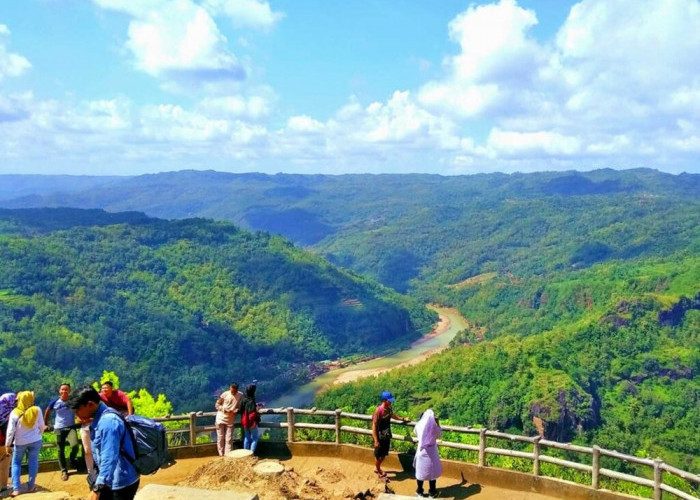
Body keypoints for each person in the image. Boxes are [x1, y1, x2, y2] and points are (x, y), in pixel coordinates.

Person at [68, 385, 139, 500]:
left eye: (78, 410)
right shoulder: (101, 417)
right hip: (113, 479)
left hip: (120, 482)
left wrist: (98, 488)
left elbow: (109, 457)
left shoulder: (108, 422)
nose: (77, 415)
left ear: (90, 404)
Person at [5, 391, 44, 497]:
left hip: (20, 442)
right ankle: (31, 486)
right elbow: (42, 426)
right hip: (36, 440)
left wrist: (7, 445)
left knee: (16, 463)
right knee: (33, 461)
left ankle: (17, 489)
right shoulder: (37, 410)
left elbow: (10, 431)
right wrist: (38, 434)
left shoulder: (15, 413)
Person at [44, 383, 81, 481]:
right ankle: (64, 470)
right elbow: (47, 411)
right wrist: (45, 424)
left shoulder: (72, 400)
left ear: (69, 390)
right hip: (58, 428)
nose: (64, 391)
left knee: (75, 446)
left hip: (71, 427)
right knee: (60, 450)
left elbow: (78, 409)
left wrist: (80, 419)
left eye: (66, 389)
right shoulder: (55, 401)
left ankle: (72, 460)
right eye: (62, 389)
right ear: (59, 391)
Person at [371, 390, 409, 478]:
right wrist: (376, 440)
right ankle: (378, 470)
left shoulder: (388, 408)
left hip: (386, 435)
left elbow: (393, 416)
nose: (391, 402)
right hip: (380, 436)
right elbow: (374, 426)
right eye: (389, 400)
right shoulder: (378, 411)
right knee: (379, 455)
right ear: (384, 400)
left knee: (383, 454)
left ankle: (377, 468)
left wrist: (403, 419)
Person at [413, 409, 442, 498]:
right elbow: (440, 434)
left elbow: (415, 432)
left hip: (421, 452)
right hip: (432, 453)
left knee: (420, 472)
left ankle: (420, 491)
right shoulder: (434, 427)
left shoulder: (419, 425)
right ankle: (432, 492)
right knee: (432, 473)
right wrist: (438, 424)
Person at [214, 383, 243, 456]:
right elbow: (217, 405)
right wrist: (226, 410)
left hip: (230, 420)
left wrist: (238, 409)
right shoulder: (224, 394)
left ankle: (228, 455)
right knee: (220, 438)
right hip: (220, 419)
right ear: (230, 388)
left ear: (237, 390)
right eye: (231, 391)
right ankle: (221, 455)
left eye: (234, 391)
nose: (232, 392)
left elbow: (242, 405)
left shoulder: (240, 395)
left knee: (229, 439)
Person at [0, 393, 17, 494]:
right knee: (4, 466)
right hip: (4, 444)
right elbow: (10, 432)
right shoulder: (10, 416)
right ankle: (3, 486)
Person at [240, 384, 261, 454]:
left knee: (247, 437)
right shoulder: (251, 401)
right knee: (255, 437)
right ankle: (251, 453)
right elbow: (252, 413)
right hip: (252, 423)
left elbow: (240, 409)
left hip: (245, 422)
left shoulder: (243, 399)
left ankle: (245, 453)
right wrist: (257, 409)